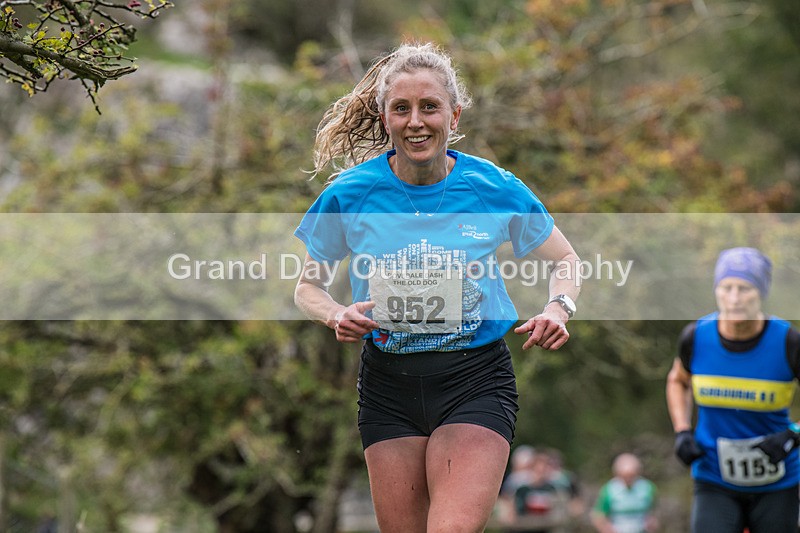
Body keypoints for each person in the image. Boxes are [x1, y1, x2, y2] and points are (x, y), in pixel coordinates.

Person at [293, 42, 581, 532]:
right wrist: (335, 313)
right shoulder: (349, 193)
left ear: (454, 113)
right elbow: (307, 287)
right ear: (385, 118)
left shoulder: (492, 187)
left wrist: (559, 307)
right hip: (387, 388)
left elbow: (567, 260)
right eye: (401, 109)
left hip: (475, 381)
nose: (416, 122)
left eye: (429, 107)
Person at [665, 247, 800, 533]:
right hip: (714, 476)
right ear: (716, 289)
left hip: (778, 480)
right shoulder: (696, 337)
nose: (734, 298)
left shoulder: (788, 341)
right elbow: (678, 380)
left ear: (762, 292)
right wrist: (682, 430)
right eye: (726, 287)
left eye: (745, 288)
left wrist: (793, 434)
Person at [590, 453, 658, 533]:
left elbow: (654, 510)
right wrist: (606, 528)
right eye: (625, 476)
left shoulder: (647, 487)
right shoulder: (610, 489)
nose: (629, 479)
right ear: (617, 473)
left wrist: (652, 522)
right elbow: (598, 515)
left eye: (632, 475)